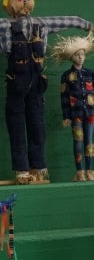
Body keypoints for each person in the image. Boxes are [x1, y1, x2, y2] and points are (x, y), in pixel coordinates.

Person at [0, 0, 92, 184]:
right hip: (16, 82)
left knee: (37, 125)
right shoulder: (5, 25)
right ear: (11, 3)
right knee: (16, 125)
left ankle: (38, 167)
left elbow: (68, 20)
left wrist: (86, 24)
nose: (25, 3)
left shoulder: (42, 24)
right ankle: (21, 169)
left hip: (37, 83)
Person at [52, 33, 94, 180]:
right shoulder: (66, 76)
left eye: (82, 54)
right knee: (78, 142)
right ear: (72, 57)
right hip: (76, 114)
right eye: (77, 55)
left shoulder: (91, 74)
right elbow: (64, 97)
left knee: (89, 142)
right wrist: (66, 116)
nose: (81, 57)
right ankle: (79, 171)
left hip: (90, 113)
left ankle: (89, 170)